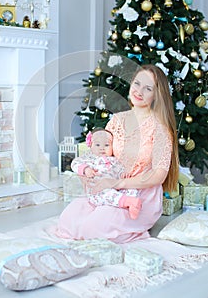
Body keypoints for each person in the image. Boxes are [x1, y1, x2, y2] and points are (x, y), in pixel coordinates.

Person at [56, 64, 179, 244]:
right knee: (69, 219)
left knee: (95, 227)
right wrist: (89, 175)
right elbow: (100, 154)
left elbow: (158, 176)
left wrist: (118, 182)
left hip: (140, 194)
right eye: (137, 84)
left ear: (156, 95)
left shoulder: (160, 129)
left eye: (148, 88)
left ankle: (133, 228)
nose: (139, 91)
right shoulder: (116, 120)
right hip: (110, 188)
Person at [71, 127, 142, 220]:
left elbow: (119, 170)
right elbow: (75, 163)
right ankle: (127, 202)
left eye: (107, 145)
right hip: (97, 187)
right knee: (104, 194)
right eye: (97, 145)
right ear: (90, 145)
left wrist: (123, 174)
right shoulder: (89, 157)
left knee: (131, 188)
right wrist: (85, 169)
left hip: (115, 185)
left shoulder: (114, 160)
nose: (102, 148)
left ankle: (133, 203)